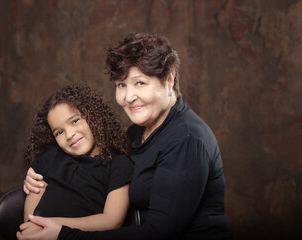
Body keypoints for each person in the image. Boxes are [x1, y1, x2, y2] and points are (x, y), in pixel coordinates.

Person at [19, 32, 232, 240]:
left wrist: (63, 233)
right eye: (121, 85)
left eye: (140, 83)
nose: (128, 97)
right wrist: (40, 176)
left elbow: (160, 233)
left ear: (169, 80)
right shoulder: (136, 131)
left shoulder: (187, 138)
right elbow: (94, 174)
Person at [16, 84, 134, 237]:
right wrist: (35, 229)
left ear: (93, 116)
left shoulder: (118, 165)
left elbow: (112, 220)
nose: (69, 134)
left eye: (74, 121)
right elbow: (30, 217)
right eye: (59, 132)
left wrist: (53, 226)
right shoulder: (48, 159)